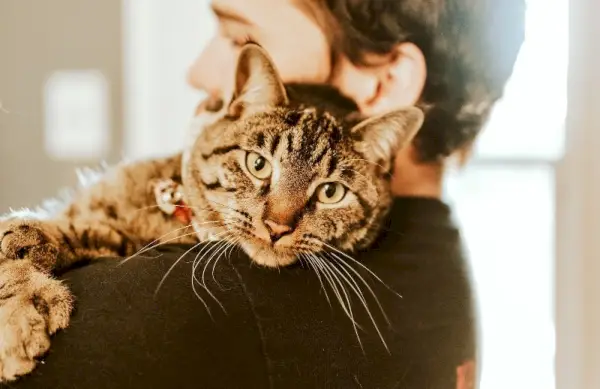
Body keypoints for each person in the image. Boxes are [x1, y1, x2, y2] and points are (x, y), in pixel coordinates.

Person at [12, 0, 525, 388]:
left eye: (240, 38)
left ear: (385, 80)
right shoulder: (434, 255)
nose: (198, 74)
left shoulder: (182, 307)